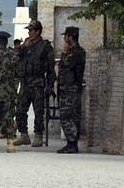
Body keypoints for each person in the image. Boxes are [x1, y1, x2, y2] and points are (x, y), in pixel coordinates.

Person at [16, 20, 56, 147]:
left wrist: (50, 85)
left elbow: (50, 68)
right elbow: (16, 57)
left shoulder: (45, 46)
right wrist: (22, 47)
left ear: (38, 31)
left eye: (31, 30)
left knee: (39, 111)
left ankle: (38, 135)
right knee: (20, 110)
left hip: (38, 83)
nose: (29, 32)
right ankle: (23, 135)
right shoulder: (26, 45)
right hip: (25, 82)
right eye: (28, 30)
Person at [57, 26, 86, 154]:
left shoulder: (77, 52)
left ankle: (72, 144)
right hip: (66, 88)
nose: (64, 38)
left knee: (68, 116)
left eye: (66, 36)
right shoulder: (73, 52)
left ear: (70, 37)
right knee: (67, 116)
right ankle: (71, 143)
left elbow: (65, 65)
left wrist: (64, 53)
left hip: (71, 89)